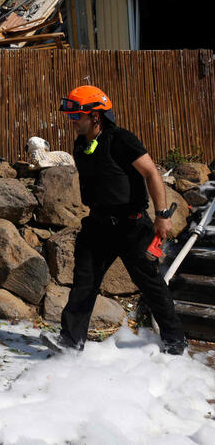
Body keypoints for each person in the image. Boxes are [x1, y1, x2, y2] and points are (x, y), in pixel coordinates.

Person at [41, 85, 188, 355]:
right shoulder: (81, 144)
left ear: (95, 116)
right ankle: (71, 342)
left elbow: (152, 174)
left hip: (132, 226)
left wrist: (162, 215)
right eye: (71, 116)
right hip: (98, 224)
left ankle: (175, 342)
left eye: (77, 116)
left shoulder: (121, 139)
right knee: (84, 282)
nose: (72, 122)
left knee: (150, 285)